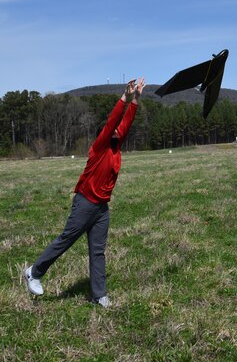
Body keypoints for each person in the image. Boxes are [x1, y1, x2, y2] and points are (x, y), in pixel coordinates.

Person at [24, 78, 146, 307]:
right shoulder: (100, 147)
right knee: (66, 240)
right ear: (106, 133)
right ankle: (34, 272)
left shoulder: (116, 148)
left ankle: (98, 295)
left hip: (101, 208)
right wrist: (124, 97)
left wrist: (137, 98)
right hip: (85, 203)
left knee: (98, 252)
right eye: (115, 130)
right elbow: (114, 122)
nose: (119, 131)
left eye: (120, 131)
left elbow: (125, 123)